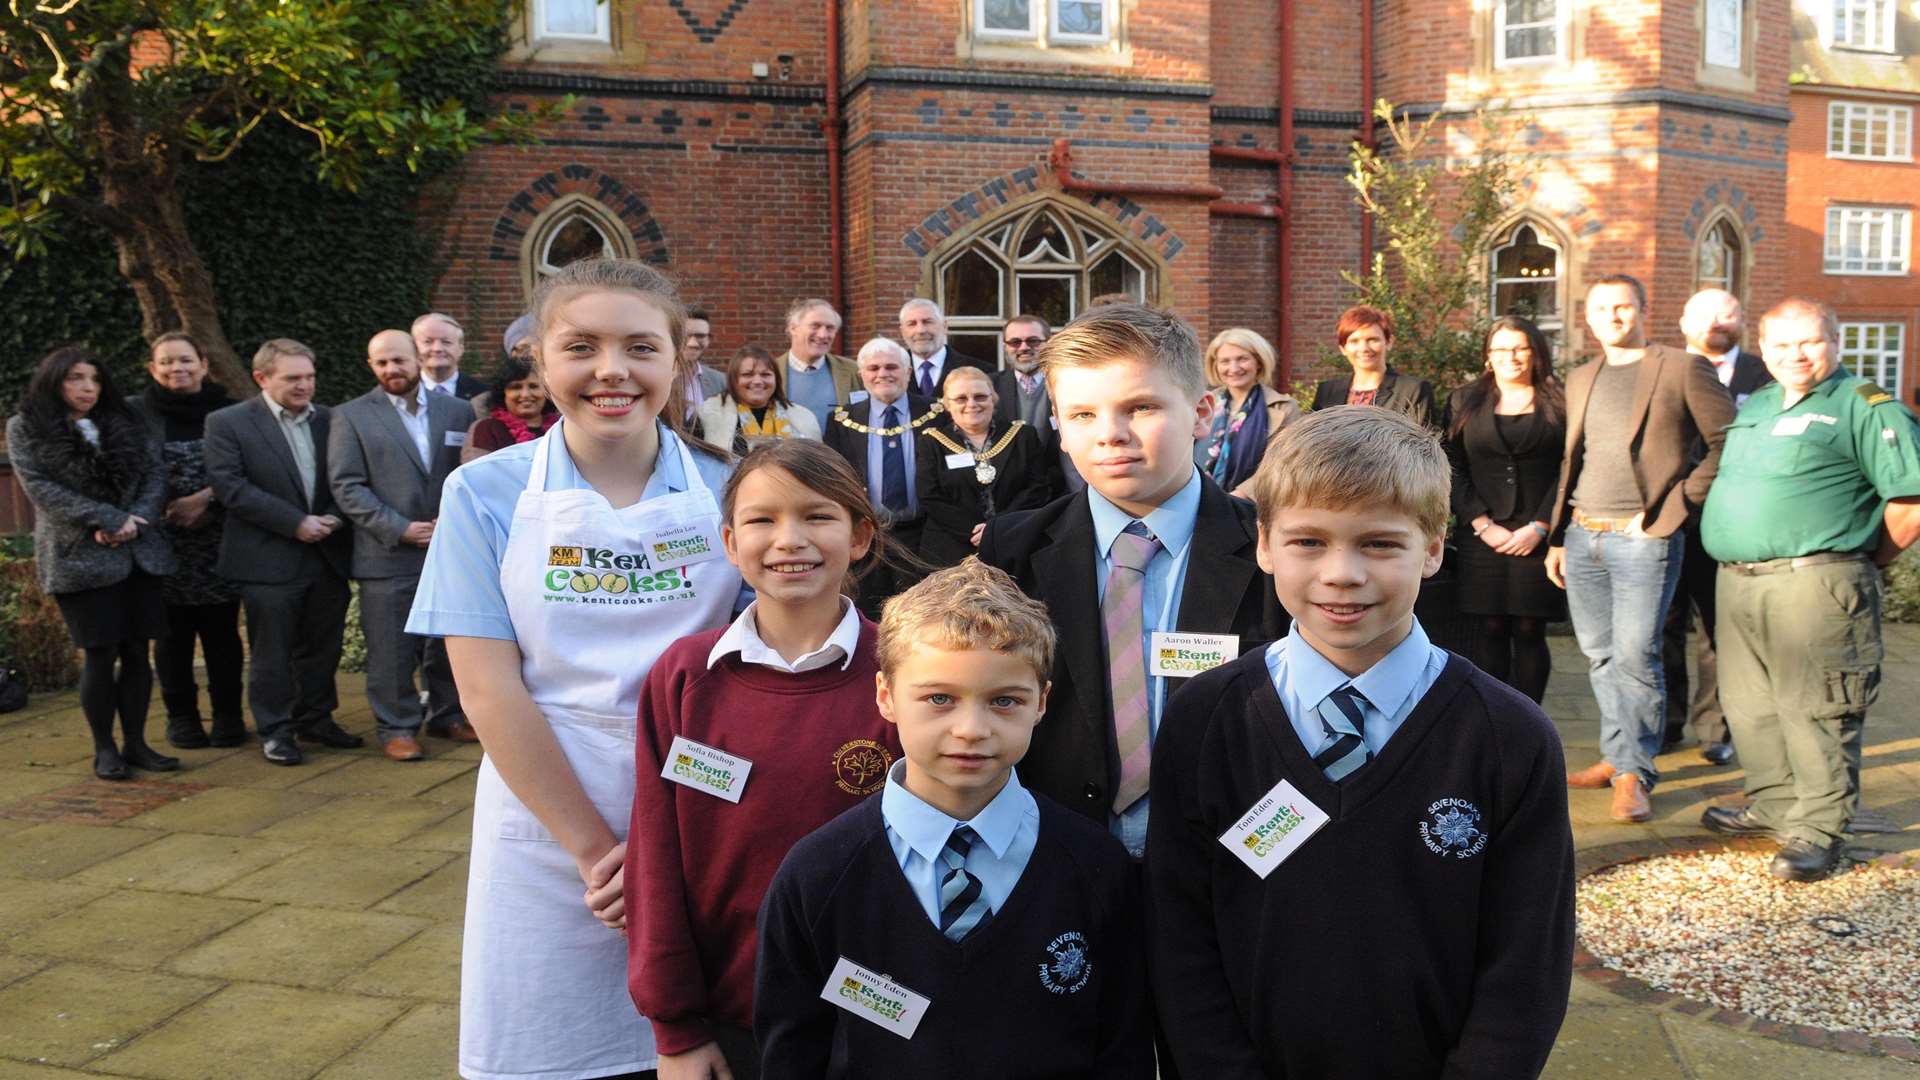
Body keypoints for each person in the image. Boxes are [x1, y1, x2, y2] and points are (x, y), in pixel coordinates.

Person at [1146, 406, 1573, 1078]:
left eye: (1378, 543)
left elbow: (1526, 966)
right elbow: (1178, 931)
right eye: (1308, 542)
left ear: (1433, 548)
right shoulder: (1206, 721)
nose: (1341, 573)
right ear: (1263, 544)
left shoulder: (1510, 739)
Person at [407, 257, 745, 1080]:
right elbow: (487, 688)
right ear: (538, 357)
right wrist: (602, 855)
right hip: (549, 819)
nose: (611, 371)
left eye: (639, 347)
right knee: (550, 1051)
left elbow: (757, 669)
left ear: (677, 361)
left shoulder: (733, 487)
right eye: (581, 346)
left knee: (707, 1049)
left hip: (702, 806)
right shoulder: (484, 493)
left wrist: (668, 853)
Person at [754, 558, 1153, 1079]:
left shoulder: (1096, 865)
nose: (971, 729)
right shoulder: (819, 873)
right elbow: (791, 1052)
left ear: (1041, 704)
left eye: (1004, 701)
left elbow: (1121, 1047)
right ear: (885, 696)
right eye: (939, 698)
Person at [627, 440, 907, 1080]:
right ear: (730, 543)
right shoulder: (684, 676)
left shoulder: (902, 676)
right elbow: (656, 856)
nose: (790, 539)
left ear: (860, 536)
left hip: (871, 1023)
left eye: (817, 516)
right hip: (731, 1019)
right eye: (762, 520)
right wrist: (675, 1030)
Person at [980, 303, 1287, 851]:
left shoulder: (1275, 549)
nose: (1111, 434)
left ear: (1201, 413)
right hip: (1060, 858)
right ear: (1058, 425)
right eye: (1082, 415)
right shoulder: (1013, 552)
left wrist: (1262, 858)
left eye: (1140, 407)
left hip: (1228, 863)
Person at [1698, 298, 1920, 882]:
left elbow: (1909, 502)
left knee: (1820, 706)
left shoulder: (1865, 406)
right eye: (1780, 345)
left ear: (1834, 340)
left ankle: (1820, 827)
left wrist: (1860, 562)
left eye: (1809, 342)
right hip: (1739, 583)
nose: (1795, 355)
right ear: (1762, 349)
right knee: (1750, 705)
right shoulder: (1763, 402)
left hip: (1816, 583)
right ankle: (1773, 803)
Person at [1544, 274, 1736, 824]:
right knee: (1601, 655)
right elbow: (1573, 460)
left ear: (1644, 308)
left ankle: (1634, 773)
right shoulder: (1582, 376)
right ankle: (1616, 755)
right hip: (1582, 534)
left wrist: (1674, 510)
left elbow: (1728, 441)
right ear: (1589, 316)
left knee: (1635, 656)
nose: (1613, 316)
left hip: (1642, 537)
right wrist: (1558, 537)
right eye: (1602, 308)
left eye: (1623, 306)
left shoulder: (1681, 367)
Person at [8, 347, 179, 780]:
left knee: (138, 651)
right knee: (100, 654)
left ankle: (137, 743)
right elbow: (41, 489)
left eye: (95, 380)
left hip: (139, 552)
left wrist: (133, 521)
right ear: (53, 381)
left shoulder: (127, 420)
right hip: (79, 556)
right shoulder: (25, 427)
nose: (87, 388)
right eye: (76, 379)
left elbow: (155, 474)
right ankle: (105, 749)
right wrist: (106, 519)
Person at [204, 339, 358, 766]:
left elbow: (348, 476)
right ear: (261, 379)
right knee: (273, 651)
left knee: (323, 647)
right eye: (292, 378)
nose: (304, 386)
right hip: (267, 558)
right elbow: (230, 486)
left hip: (327, 553)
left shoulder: (332, 420)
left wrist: (332, 517)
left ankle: (316, 718)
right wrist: (295, 523)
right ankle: (276, 729)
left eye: (309, 376)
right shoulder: (228, 422)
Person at [327, 330, 476, 761]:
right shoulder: (350, 416)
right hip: (387, 552)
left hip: (448, 547)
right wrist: (399, 528)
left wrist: (453, 523)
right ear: (372, 367)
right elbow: (347, 486)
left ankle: (448, 715)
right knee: (391, 648)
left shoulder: (457, 409)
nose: (391, 370)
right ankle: (397, 726)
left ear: (417, 359)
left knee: (449, 642)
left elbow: (468, 473)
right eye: (381, 363)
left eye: (399, 360)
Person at [1662, 288, 1773, 764]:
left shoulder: (1766, 376)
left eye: (1726, 312)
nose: (1716, 322)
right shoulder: (1660, 368)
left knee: (1717, 629)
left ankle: (1715, 729)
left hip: (1729, 523)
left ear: (1742, 318)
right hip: (1662, 520)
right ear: (1684, 321)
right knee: (1661, 626)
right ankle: (1665, 724)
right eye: (1704, 314)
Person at [1442, 316, 1568, 703]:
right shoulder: (1464, 399)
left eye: (1519, 348)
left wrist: (1543, 525)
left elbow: (1569, 464)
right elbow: (1450, 463)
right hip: (1482, 533)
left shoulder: (1561, 400)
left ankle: (1531, 718)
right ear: (1487, 357)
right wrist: (1480, 523)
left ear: (1535, 353)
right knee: (1490, 628)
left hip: (1539, 533)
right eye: (1500, 349)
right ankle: (1495, 715)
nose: (1510, 357)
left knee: (1530, 630)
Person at [133, 332, 245, 749]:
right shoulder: (134, 413)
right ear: (152, 368)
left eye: (184, 360)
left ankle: (229, 716)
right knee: (171, 638)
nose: (175, 368)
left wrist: (206, 500)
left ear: (202, 364)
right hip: (159, 541)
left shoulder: (231, 411)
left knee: (222, 635)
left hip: (219, 539)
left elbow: (246, 467)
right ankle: (182, 718)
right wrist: (163, 507)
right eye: (166, 362)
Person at [820, 337, 944, 618]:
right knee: (870, 612)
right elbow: (833, 481)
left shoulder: (936, 413)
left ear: (908, 372)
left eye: (891, 366)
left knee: (923, 613)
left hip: (923, 533)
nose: (882, 374)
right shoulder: (842, 419)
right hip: (867, 534)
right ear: (862, 375)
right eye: (873, 368)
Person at [917, 367, 1053, 569]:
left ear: (993, 399)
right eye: (961, 399)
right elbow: (930, 495)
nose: (971, 404)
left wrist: (997, 528)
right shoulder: (932, 441)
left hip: (1014, 542)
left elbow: (1038, 488)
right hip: (950, 552)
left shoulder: (1022, 435)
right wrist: (976, 533)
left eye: (980, 397)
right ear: (947, 404)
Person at [1194, 328, 1302, 494]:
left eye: (1242, 359)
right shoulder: (1203, 404)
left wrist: (1242, 495)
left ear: (1258, 361)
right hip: (1199, 500)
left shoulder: (1283, 407)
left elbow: (1285, 463)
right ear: (1215, 366)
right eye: (1225, 361)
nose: (1234, 368)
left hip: (1250, 508)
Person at [992, 315, 1082, 493]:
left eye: (1033, 341)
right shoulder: (990, 386)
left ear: (1048, 343)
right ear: (1005, 346)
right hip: (1010, 495)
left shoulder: (1071, 383)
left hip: (1062, 490)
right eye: (1015, 342)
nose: (1024, 348)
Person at [1311, 305, 1438, 429]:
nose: (1364, 348)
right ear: (1343, 348)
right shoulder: (1327, 391)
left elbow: (1420, 445)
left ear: (1389, 342)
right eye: (1354, 341)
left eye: (1372, 339)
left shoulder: (1413, 390)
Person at [700, 345, 823, 452]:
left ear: (776, 379)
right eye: (747, 374)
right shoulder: (708, 414)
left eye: (765, 375)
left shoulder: (804, 418)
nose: (758, 381)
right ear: (733, 380)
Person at [776, 298, 858, 425]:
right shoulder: (770, 372)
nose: (823, 335)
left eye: (830, 328)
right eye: (815, 326)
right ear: (793, 328)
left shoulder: (853, 371)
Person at [464, 353, 556, 463]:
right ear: (503, 393)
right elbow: (478, 474)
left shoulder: (563, 426)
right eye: (516, 387)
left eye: (534, 386)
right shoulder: (486, 429)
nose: (525, 394)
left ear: (547, 391)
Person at [899, 298, 989, 400]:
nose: (920, 330)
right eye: (912, 324)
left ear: (945, 326)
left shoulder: (982, 371)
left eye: (928, 322)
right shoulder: (891, 372)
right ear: (902, 332)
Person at [412, 312, 476, 400]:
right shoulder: (402, 391)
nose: (437, 349)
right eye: (428, 341)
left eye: (446, 342)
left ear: (461, 349)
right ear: (414, 348)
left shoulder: (481, 394)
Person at [687, 306, 726, 398]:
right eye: (685, 335)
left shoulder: (721, 382)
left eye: (700, 336)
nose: (692, 343)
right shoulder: (656, 379)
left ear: (709, 339)